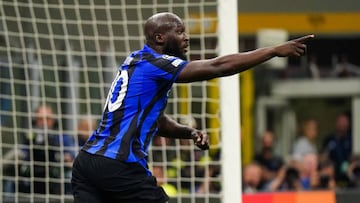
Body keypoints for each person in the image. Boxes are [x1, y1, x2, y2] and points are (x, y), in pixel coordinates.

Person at [71, 12, 314, 203]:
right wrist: (273, 51)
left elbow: (155, 120)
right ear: (159, 38)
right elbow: (219, 66)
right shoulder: (158, 63)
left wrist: (188, 132)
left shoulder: (134, 60)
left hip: (87, 163)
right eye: (180, 32)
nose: (186, 37)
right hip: (119, 164)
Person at [19, 104, 75, 195]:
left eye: (47, 119)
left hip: (57, 181)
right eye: (40, 119)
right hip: (32, 181)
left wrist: (66, 158)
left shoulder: (62, 138)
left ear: (54, 121)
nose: (44, 123)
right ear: (35, 121)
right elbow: (22, 154)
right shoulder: (29, 138)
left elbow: (72, 158)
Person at [322, 113, 352, 182]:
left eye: (344, 122)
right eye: (340, 122)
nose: (342, 124)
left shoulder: (352, 139)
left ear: (348, 124)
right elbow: (324, 156)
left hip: (349, 173)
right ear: (336, 123)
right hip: (332, 175)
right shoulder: (329, 139)